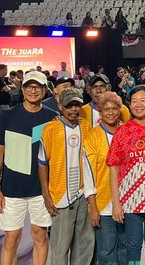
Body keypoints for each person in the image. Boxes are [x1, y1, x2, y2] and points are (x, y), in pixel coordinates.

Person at [0, 71, 57, 265]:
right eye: (29, 86)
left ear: (45, 90)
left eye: (37, 87)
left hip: (41, 191)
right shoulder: (8, 115)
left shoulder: (53, 118)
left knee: (40, 236)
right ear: (23, 89)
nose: (33, 90)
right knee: (11, 239)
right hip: (12, 189)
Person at [107, 85, 145, 265]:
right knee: (133, 245)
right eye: (134, 101)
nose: (138, 105)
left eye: (143, 100)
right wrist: (116, 202)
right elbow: (113, 167)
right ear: (129, 105)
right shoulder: (122, 131)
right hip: (130, 199)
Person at [38, 88, 94, 265]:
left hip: (82, 195)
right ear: (60, 106)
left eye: (77, 105)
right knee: (60, 247)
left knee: (84, 245)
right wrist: (46, 195)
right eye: (69, 105)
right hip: (61, 197)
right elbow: (41, 163)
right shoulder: (50, 128)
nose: (74, 109)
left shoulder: (86, 126)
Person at [83, 91, 127, 265]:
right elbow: (88, 174)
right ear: (100, 112)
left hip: (127, 201)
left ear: (120, 110)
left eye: (114, 108)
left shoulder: (127, 132)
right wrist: (92, 206)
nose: (110, 112)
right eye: (106, 109)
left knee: (125, 248)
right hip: (103, 203)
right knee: (106, 251)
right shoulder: (92, 137)